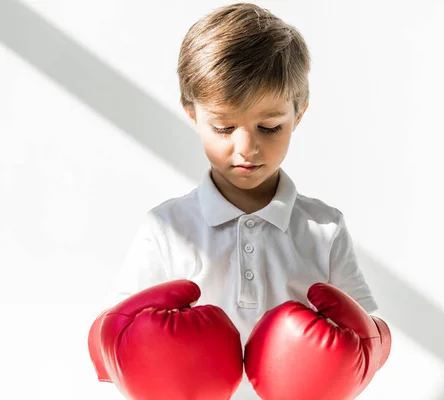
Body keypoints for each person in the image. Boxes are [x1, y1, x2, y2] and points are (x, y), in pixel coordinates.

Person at [100, 2, 381, 399]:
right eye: (223, 126)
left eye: (269, 127)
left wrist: (333, 366)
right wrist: (153, 362)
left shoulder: (324, 228)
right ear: (193, 115)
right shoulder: (166, 228)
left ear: (298, 114)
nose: (246, 148)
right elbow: (112, 333)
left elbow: (366, 336)